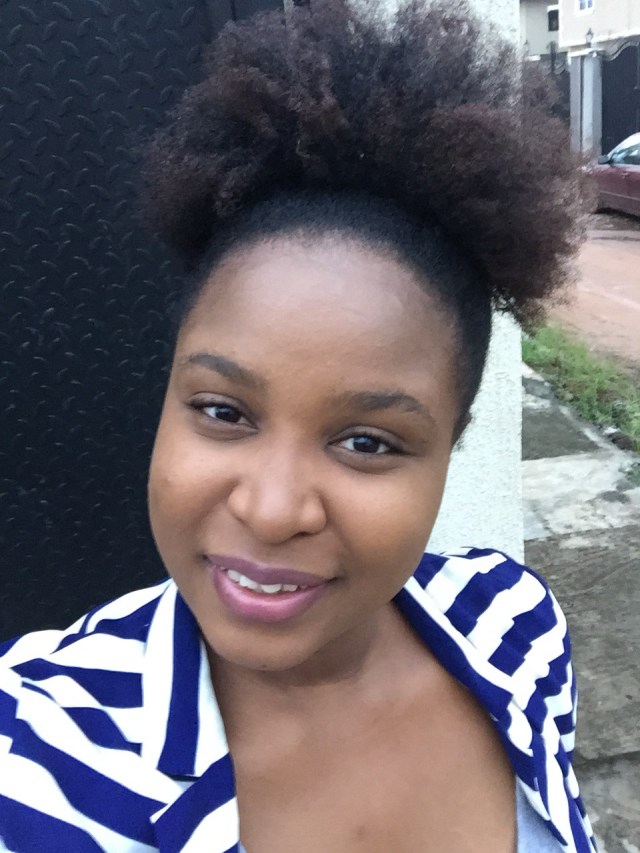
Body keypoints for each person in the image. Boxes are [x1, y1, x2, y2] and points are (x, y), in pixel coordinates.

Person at [0, 1, 595, 851]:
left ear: (452, 442)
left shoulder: (513, 627)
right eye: (223, 411)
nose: (274, 510)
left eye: (367, 441)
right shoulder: (37, 752)